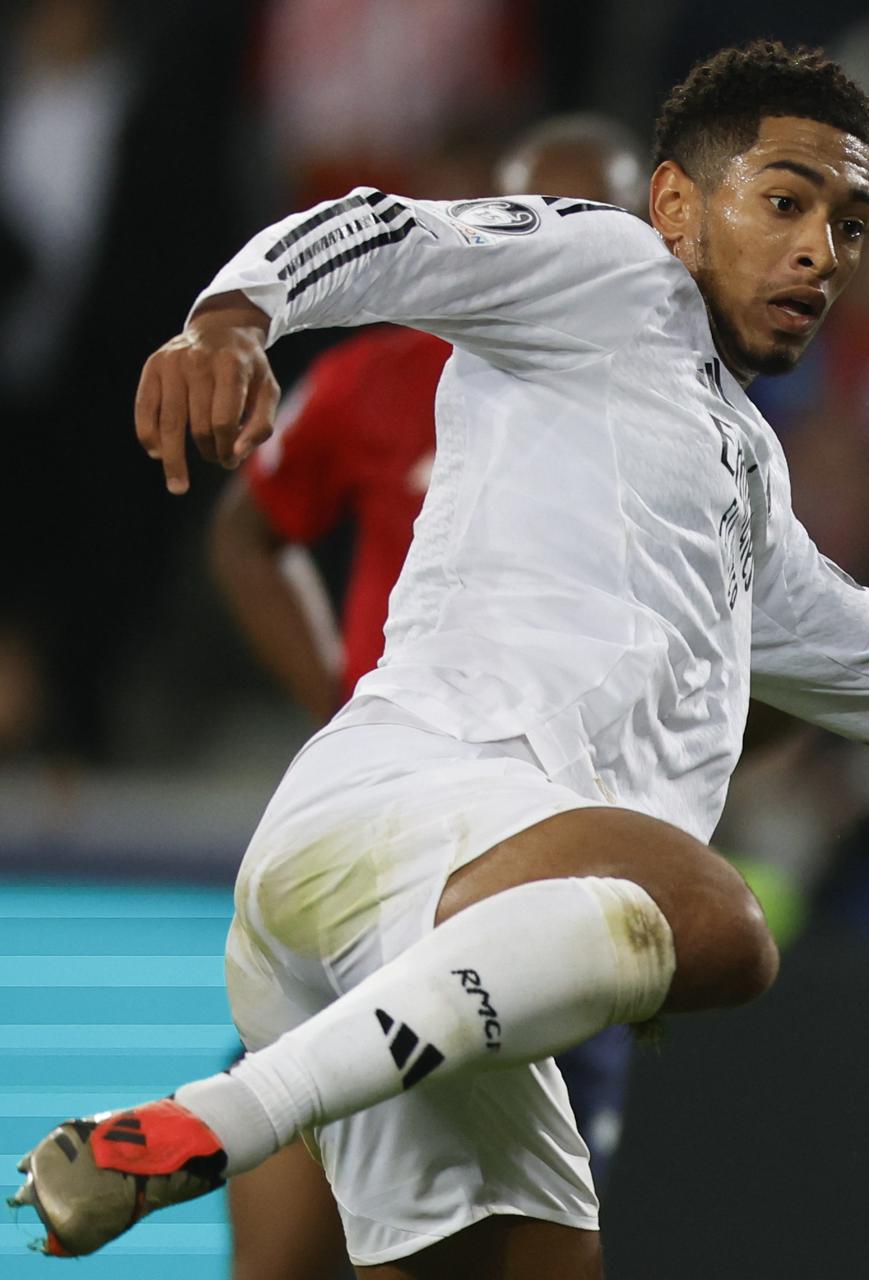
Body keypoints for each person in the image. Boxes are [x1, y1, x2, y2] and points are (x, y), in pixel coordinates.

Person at [10, 41, 869, 1279]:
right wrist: (236, 316)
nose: (823, 251)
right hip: (408, 813)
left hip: (436, 956)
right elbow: (390, 232)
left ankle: (231, 1110)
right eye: (785, 203)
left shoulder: (751, 493)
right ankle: (217, 1118)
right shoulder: (605, 276)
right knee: (720, 923)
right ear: (673, 206)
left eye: (850, 225)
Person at [207, 114, 647, 1280]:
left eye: (596, 223)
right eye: (534, 216)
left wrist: (667, 794)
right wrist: (338, 699)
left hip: (535, 861)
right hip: (385, 832)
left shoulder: (677, 426)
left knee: (501, 1239)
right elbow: (249, 532)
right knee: (302, 1253)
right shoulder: (382, 375)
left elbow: (786, 643)